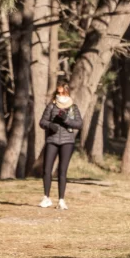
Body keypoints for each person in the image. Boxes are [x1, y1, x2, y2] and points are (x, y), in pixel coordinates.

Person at [38, 81, 83, 210]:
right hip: (52, 140)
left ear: (67, 92)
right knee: (47, 170)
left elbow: (79, 124)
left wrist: (66, 120)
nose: (60, 94)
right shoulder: (51, 106)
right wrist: (49, 125)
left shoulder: (73, 108)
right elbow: (42, 122)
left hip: (67, 141)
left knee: (62, 171)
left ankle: (61, 200)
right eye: (58, 92)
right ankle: (46, 198)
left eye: (62, 92)